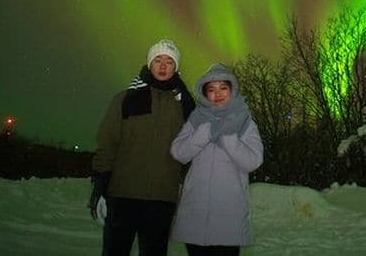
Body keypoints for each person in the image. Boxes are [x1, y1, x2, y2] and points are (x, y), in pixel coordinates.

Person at [90, 39, 195, 256]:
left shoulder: (184, 106)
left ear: (176, 67)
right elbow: (108, 142)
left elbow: (194, 149)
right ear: (149, 64)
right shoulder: (125, 99)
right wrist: (100, 184)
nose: (163, 65)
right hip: (122, 196)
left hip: (161, 200)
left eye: (169, 61)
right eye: (158, 60)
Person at [170, 63, 264, 255]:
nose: (218, 93)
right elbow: (178, 152)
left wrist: (228, 138)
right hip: (195, 212)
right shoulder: (197, 119)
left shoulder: (245, 121)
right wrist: (203, 134)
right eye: (211, 89)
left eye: (223, 88)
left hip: (228, 215)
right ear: (205, 94)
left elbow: (253, 161)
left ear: (232, 90)